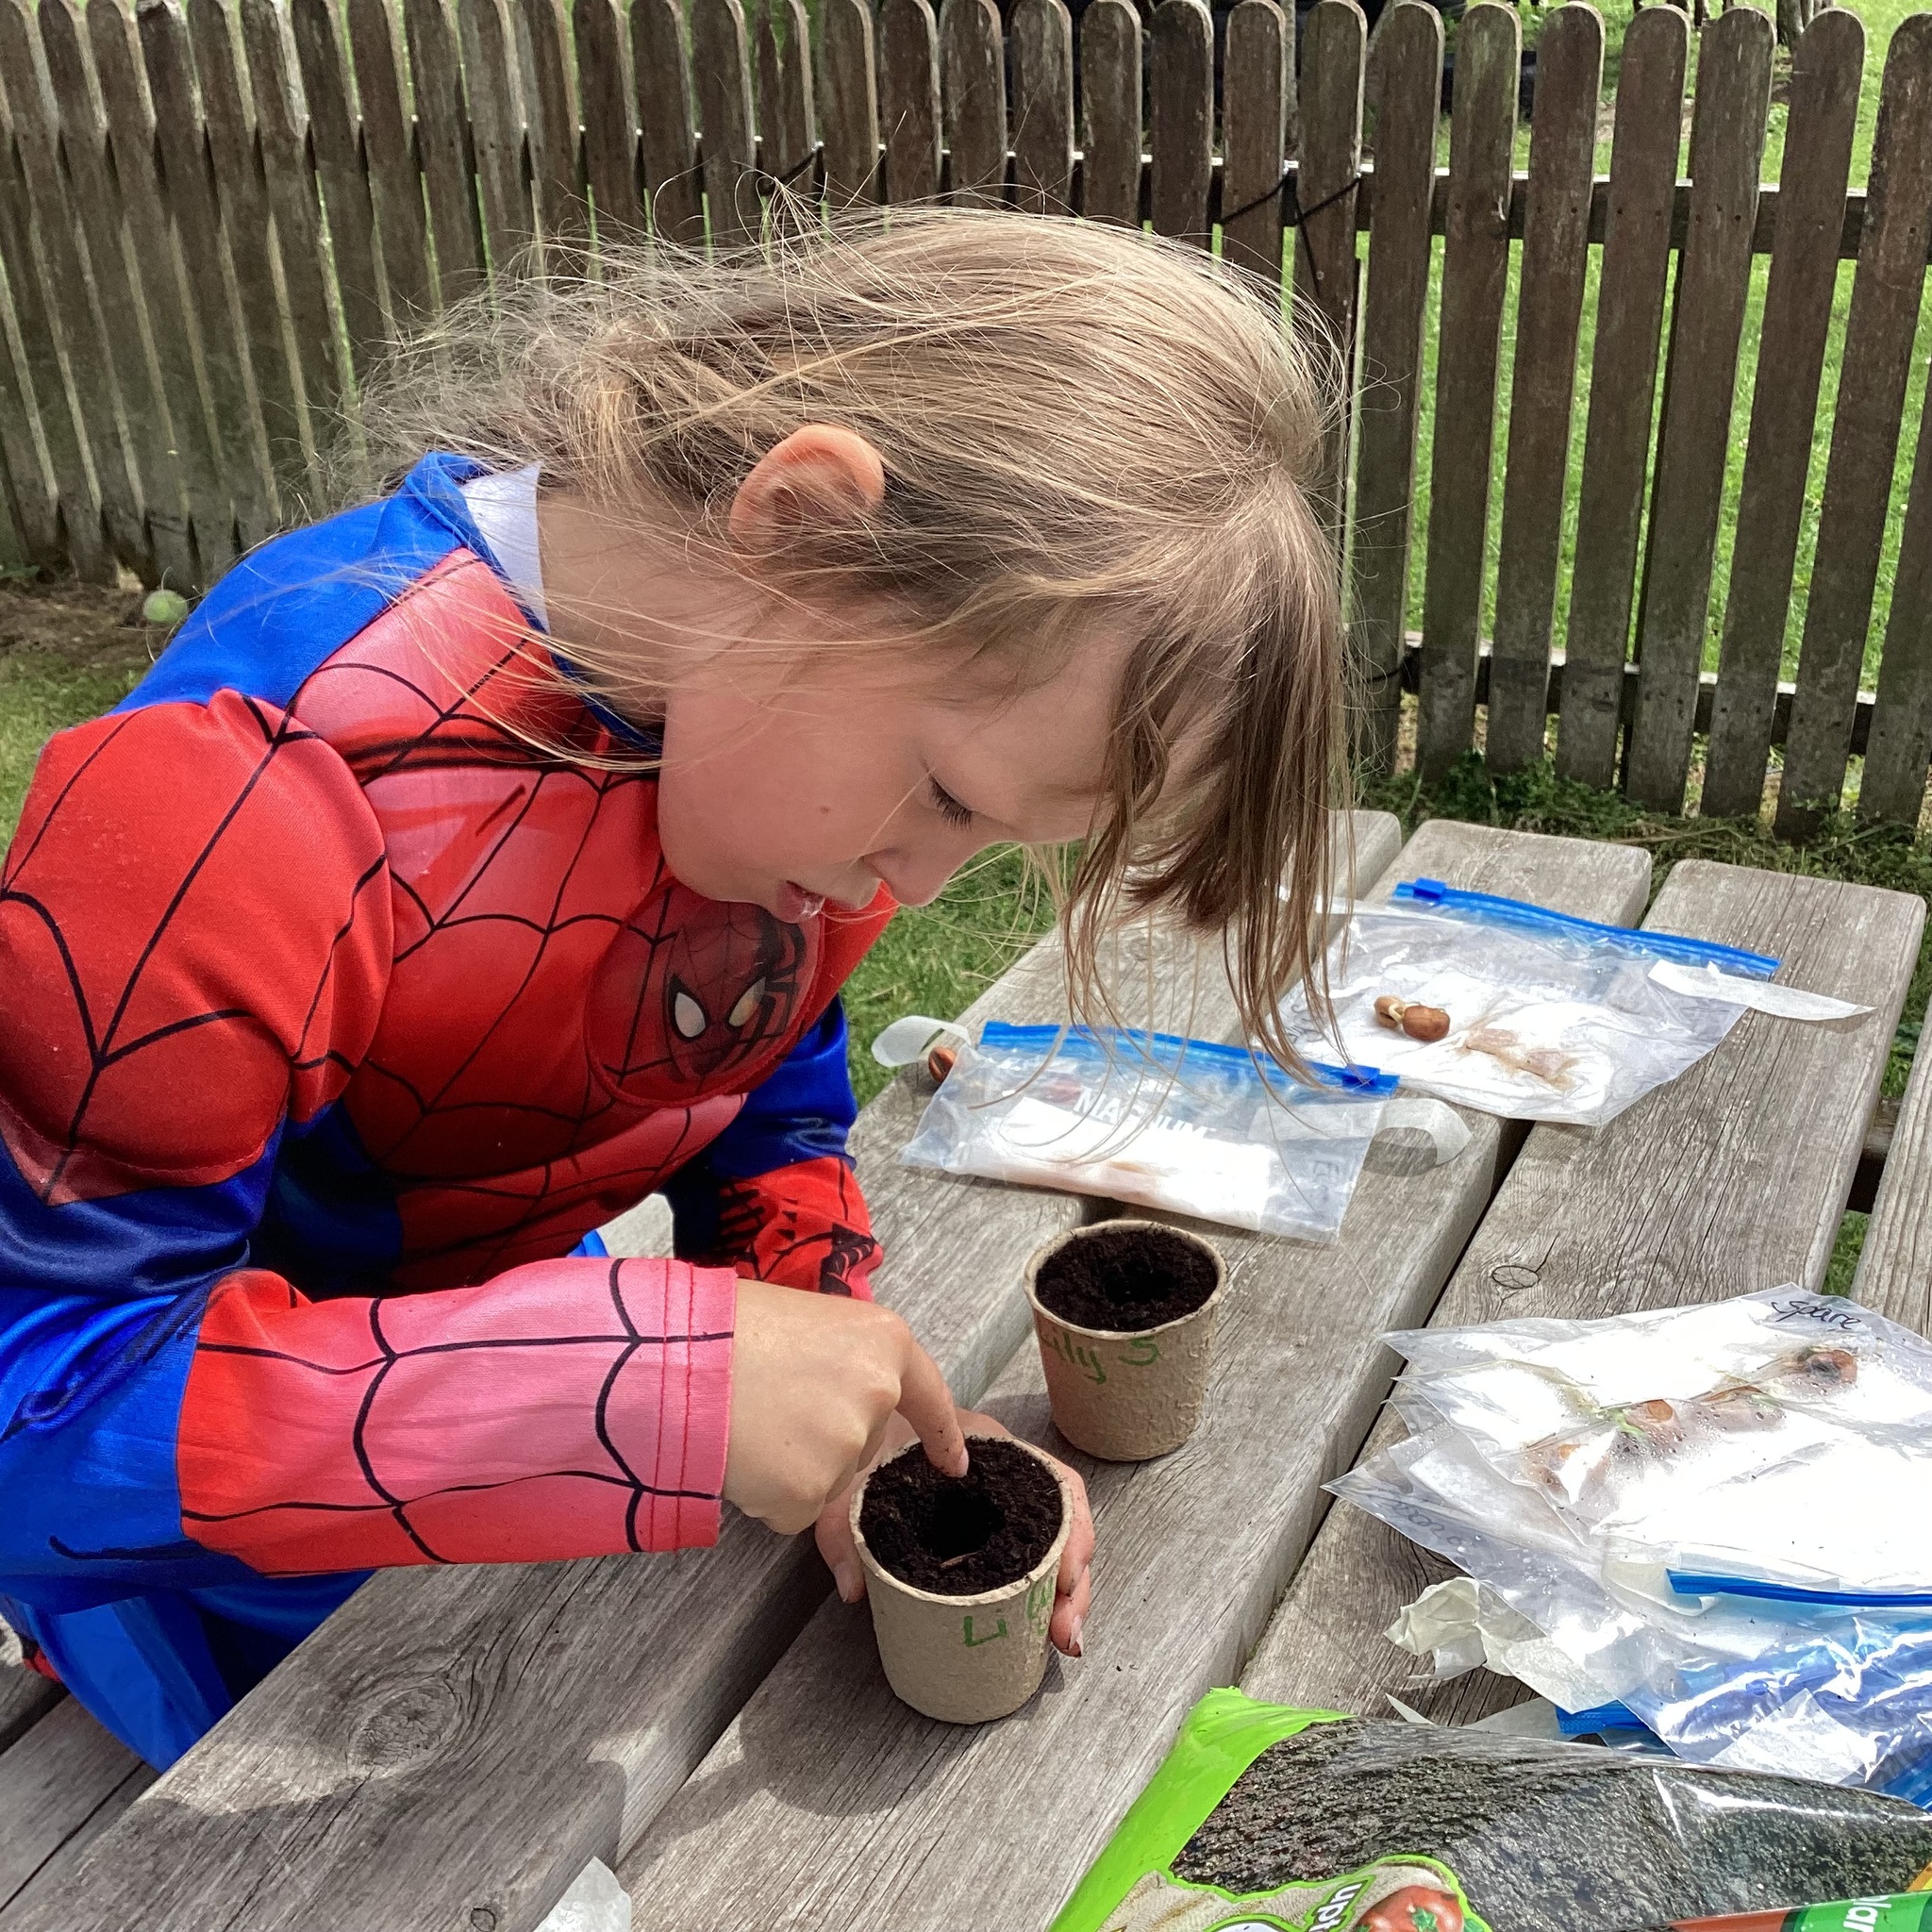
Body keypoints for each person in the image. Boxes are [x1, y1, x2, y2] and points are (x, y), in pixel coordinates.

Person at [0, 208, 1343, 1769]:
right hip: (209, 1609)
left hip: (544, 1499)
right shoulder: (248, 789)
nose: (914, 885)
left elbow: (757, 1089)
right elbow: (36, 1425)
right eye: (948, 797)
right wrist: (627, 1386)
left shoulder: (757, 748)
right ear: (802, 524)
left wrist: (839, 1386)